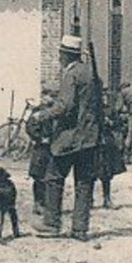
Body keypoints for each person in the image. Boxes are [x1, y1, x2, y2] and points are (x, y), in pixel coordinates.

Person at [39, 35, 102, 241]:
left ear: (65, 55)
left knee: (54, 178)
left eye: (60, 54)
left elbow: (65, 105)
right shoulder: (91, 73)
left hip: (69, 137)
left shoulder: (71, 74)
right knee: (84, 183)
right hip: (90, 137)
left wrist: (42, 114)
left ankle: (51, 224)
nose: (59, 57)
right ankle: (80, 229)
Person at [97, 85, 129, 209]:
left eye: (105, 96)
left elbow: (119, 124)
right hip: (94, 143)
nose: (104, 98)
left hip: (107, 143)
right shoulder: (91, 109)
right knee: (90, 172)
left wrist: (112, 123)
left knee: (107, 172)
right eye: (101, 95)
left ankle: (107, 198)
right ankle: (88, 199)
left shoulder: (110, 110)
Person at [25, 89, 54, 218]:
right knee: (39, 177)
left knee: (50, 177)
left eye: (52, 96)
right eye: (48, 96)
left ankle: (48, 204)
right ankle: (38, 204)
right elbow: (30, 127)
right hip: (40, 149)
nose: (49, 99)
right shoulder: (38, 111)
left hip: (52, 148)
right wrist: (39, 137)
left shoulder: (54, 111)